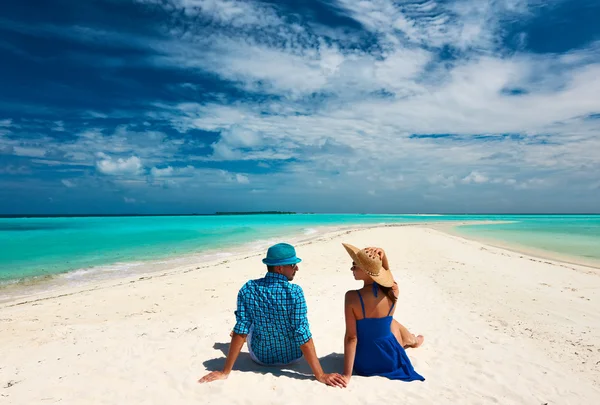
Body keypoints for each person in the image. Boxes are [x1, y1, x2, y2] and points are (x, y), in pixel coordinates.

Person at [198, 243, 346, 388]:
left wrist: (225, 372)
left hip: (261, 358)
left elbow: (241, 330)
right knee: (298, 324)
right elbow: (302, 333)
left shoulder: (248, 288)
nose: (297, 268)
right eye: (293, 265)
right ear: (280, 268)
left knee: (245, 323)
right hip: (293, 356)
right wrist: (320, 375)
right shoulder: (295, 292)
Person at [340, 243, 425, 384]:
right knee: (390, 322)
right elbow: (388, 276)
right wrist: (383, 257)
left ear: (366, 271)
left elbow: (351, 338)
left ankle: (413, 340)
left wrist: (346, 374)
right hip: (391, 360)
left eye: (355, 265)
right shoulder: (393, 292)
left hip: (364, 365)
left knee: (388, 323)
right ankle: (414, 340)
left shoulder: (352, 297)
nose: (351, 268)